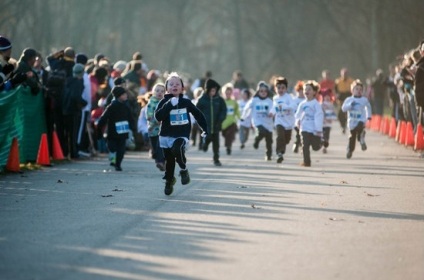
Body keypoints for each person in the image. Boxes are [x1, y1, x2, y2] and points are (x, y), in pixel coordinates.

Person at [154, 72, 208, 195]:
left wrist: (205, 128)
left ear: (182, 88)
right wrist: (168, 105)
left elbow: (198, 115)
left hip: (181, 134)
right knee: (170, 161)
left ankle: (183, 169)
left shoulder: (186, 102)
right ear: (167, 88)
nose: (174, 86)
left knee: (177, 148)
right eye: (171, 84)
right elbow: (158, 117)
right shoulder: (163, 102)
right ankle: (169, 180)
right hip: (166, 135)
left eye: (177, 84)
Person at [97, 86, 136, 171]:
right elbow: (104, 117)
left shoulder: (126, 106)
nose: (126, 96)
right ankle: (113, 159)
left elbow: (130, 117)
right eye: (124, 94)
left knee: (121, 150)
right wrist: (100, 125)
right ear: (118, 95)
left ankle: (118, 164)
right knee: (112, 147)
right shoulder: (111, 106)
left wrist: (133, 127)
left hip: (123, 132)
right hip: (112, 132)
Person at [196, 78, 227, 166]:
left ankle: (216, 159)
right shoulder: (202, 99)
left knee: (216, 143)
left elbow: (223, 110)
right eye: (212, 90)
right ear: (208, 90)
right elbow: (197, 110)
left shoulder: (219, 99)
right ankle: (205, 144)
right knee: (208, 137)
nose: (213, 92)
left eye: (215, 90)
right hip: (206, 125)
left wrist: (221, 119)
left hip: (216, 125)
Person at [241, 81, 274, 161]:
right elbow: (246, 108)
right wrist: (243, 117)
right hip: (257, 121)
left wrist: (271, 113)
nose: (263, 92)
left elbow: (274, 109)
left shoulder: (270, 101)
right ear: (258, 91)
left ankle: (268, 155)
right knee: (261, 132)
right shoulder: (254, 100)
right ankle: (257, 140)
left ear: (267, 92)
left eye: (265, 91)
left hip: (268, 123)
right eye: (261, 91)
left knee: (269, 141)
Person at [294, 80, 323, 167]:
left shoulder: (316, 104)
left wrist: (318, 129)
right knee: (305, 145)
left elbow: (319, 116)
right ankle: (307, 162)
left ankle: (321, 143)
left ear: (314, 92)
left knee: (315, 147)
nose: (306, 91)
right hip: (304, 128)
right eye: (305, 89)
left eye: (309, 89)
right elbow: (297, 114)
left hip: (314, 129)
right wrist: (297, 122)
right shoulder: (302, 104)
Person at [341, 79, 372, 159]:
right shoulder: (349, 100)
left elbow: (368, 107)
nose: (359, 91)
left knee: (359, 127)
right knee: (352, 137)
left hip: (361, 120)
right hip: (351, 122)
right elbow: (343, 109)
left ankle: (361, 137)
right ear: (352, 90)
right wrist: (349, 105)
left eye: (361, 89)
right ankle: (350, 150)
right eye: (356, 89)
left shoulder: (364, 100)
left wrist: (369, 116)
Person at [62, 64, 86, 159]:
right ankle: (73, 153)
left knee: (67, 132)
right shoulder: (78, 82)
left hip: (65, 109)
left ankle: (66, 152)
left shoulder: (68, 81)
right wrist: (84, 102)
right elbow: (75, 96)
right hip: (74, 110)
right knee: (73, 133)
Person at [272, 76, 297, 163]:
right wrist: (271, 112)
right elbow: (273, 107)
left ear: (286, 89)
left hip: (288, 122)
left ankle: (282, 146)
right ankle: (279, 153)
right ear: (275, 89)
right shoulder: (275, 98)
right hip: (279, 121)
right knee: (280, 136)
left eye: (283, 88)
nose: (280, 90)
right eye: (278, 88)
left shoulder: (289, 97)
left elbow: (294, 106)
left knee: (286, 139)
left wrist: (286, 107)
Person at [146, 83, 166, 171]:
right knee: (155, 148)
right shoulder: (151, 103)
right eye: (157, 90)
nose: (159, 93)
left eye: (162, 91)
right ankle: (158, 159)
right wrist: (156, 120)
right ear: (153, 92)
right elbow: (149, 116)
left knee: (160, 146)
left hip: (163, 129)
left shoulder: (166, 102)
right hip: (153, 129)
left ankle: (161, 162)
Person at [221, 83, 240, 155]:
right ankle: (229, 142)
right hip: (223, 124)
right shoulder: (221, 102)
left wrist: (240, 118)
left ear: (231, 93)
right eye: (226, 93)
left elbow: (237, 111)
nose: (227, 94)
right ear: (223, 93)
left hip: (232, 122)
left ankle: (228, 147)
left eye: (229, 93)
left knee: (229, 134)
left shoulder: (234, 102)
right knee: (225, 135)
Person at [335, 68, 354, 133]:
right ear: (341, 74)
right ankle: (343, 126)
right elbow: (336, 91)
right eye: (343, 74)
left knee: (349, 113)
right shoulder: (338, 81)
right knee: (340, 114)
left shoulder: (351, 81)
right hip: (341, 99)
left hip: (349, 98)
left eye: (346, 73)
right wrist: (336, 97)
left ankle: (350, 126)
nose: (345, 75)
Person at [320, 88, 337, 154]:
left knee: (327, 135)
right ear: (323, 98)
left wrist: (334, 118)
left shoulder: (331, 104)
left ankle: (325, 147)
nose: (327, 98)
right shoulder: (321, 105)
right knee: (322, 135)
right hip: (322, 123)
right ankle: (322, 142)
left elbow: (333, 112)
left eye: (328, 97)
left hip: (328, 123)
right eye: (326, 97)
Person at [292, 80, 305, 153]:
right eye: (300, 90)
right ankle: (297, 144)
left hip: (305, 121)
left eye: (303, 90)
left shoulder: (306, 100)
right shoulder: (294, 100)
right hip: (296, 120)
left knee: (303, 134)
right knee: (298, 134)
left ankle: (300, 145)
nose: (302, 92)